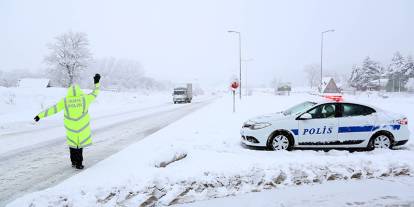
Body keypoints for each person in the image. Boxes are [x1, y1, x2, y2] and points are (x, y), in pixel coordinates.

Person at [34, 74, 101, 169]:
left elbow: (53, 109)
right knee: (79, 145)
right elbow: (95, 93)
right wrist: (96, 83)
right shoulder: (85, 99)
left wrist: (39, 115)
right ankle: (79, 163)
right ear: (79, 91)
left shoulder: (65, 101)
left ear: (69, 91)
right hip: (82, 127)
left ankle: (73, 161)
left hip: (71, 128)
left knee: (73, 144)